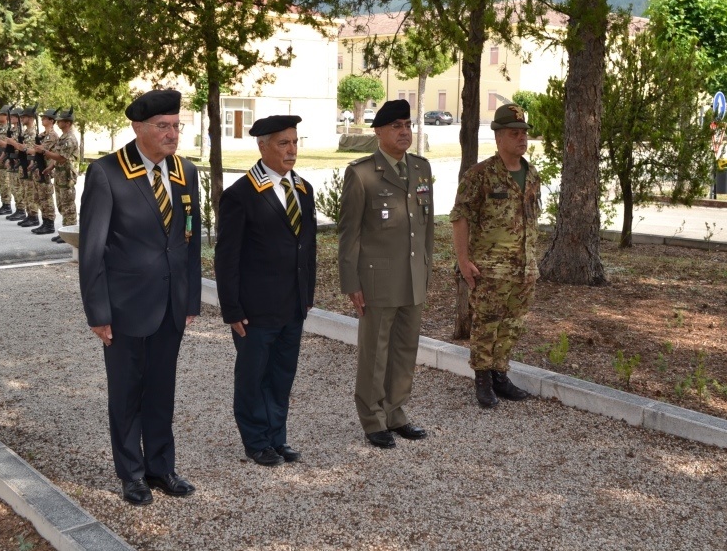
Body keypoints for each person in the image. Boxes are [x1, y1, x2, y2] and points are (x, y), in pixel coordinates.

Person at [79, 89, 201, 506]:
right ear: (138, 128)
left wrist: (190, 299)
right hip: (125, 307)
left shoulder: (185, 172)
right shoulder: (107, 173)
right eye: (163, 127)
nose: (172, 134)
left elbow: (190, 240)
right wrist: (98, 311)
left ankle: (161, 468)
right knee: (127, 393)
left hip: (171, 304)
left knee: (162, 390)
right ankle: (131, 474)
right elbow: (92, 250)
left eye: (176, 126)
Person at [214, 115, 317, 467]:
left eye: (295, 142)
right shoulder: (240, 195)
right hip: (255, 308)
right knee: (253, 376)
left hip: (292, 304)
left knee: (282, 374)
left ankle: (277, 437)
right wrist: (231, 308)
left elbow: (308, 248)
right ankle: (256, 440)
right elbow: (227, 257)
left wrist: (307, 294)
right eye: (283, 143)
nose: (292, 150)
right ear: (262, 147)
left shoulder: (303, 189)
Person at [338, 99, 434, 449]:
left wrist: (426, 268)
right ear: (378, 132)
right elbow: (349, 234)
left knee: (405, 349)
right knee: (375, 352)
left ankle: (396, 412)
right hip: (377, 279)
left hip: (412, 275)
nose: (404, 131)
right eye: (396, 126)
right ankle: (372, 418)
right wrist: (351, 282)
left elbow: (426, 228)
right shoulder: (362, 173)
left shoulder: (420, 168)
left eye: (407, 125)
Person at [450, 104, 542, 408]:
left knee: (512, 324)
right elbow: (460, 217)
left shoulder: (532, 174)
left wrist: (532, 262)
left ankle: (500, 375)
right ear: (499, 137)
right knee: (486, 324)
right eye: (514, 134)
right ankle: (483, 380)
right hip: (490, 268)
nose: (522, 139)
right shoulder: (480, 175)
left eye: (524, 133)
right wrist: (463, 261)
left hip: (524, 268)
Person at [40, 108, 79, 242]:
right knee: (61, 204)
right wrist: (50, 167)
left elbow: (62, 157)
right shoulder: (63, 137)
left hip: (67, 175)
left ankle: (71, 232)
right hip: (60, 174)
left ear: (68, 123)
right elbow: (57, 157)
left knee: (68, 204)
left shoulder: (70, 139)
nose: (58, 122)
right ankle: (65, 231)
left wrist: (44, 151)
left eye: (61, 121)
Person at [27, 108, 59, 235]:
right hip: (38, 168)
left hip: (46, 169)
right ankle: (45, 222)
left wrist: (24, 148)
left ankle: (49, 223)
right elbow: (35, 150)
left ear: (51, 120)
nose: (42, 120)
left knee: (46, 197)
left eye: (45, 118)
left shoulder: (52, 135)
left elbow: (39, 149)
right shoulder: (41, 135)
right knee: (40, 197)